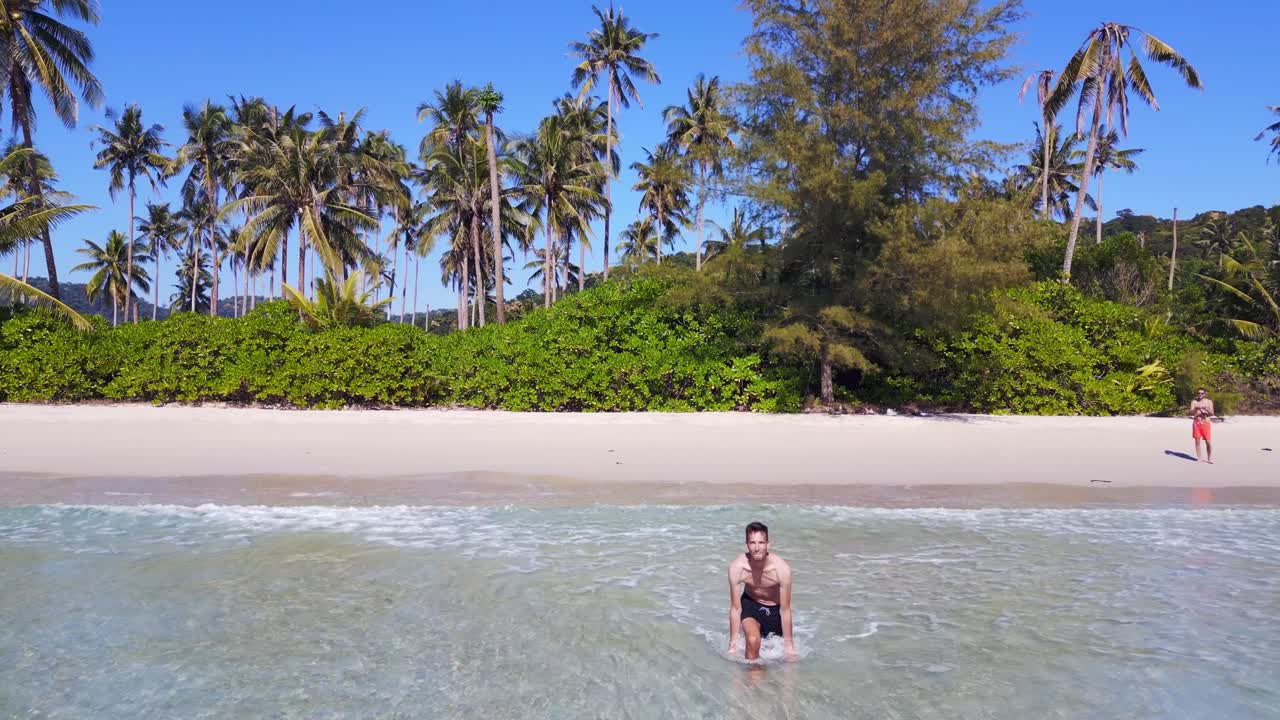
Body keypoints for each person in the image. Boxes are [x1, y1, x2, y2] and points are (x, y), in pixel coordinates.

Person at [727, 521, 796, 661]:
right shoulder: (737, 568)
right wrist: (733, 642)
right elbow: (735, 608)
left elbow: (785, 609)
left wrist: (789, 644)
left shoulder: (782, 570)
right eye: (752, 543)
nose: (757, 548)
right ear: (747, 544)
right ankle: (751, 681)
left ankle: (761, 681)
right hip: (750, 604)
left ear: (768, 545)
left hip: (774, 611)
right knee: (753, 640)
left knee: (774, 660)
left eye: (761, 543)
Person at [1189, 388, 1218, 464]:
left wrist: (1207, 409)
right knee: (1197, 441)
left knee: (1208, 442)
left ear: (1205, 394)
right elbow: (1191, 413)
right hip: (1196, 423)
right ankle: (1199, 458)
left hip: (1206, 423)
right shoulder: (1194, 402)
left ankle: (1209, 458)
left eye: (1202, 393)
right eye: (1198, 393)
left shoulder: (1209, 402)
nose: (1200, 394)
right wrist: (1195, 408)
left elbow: (1212, 414)